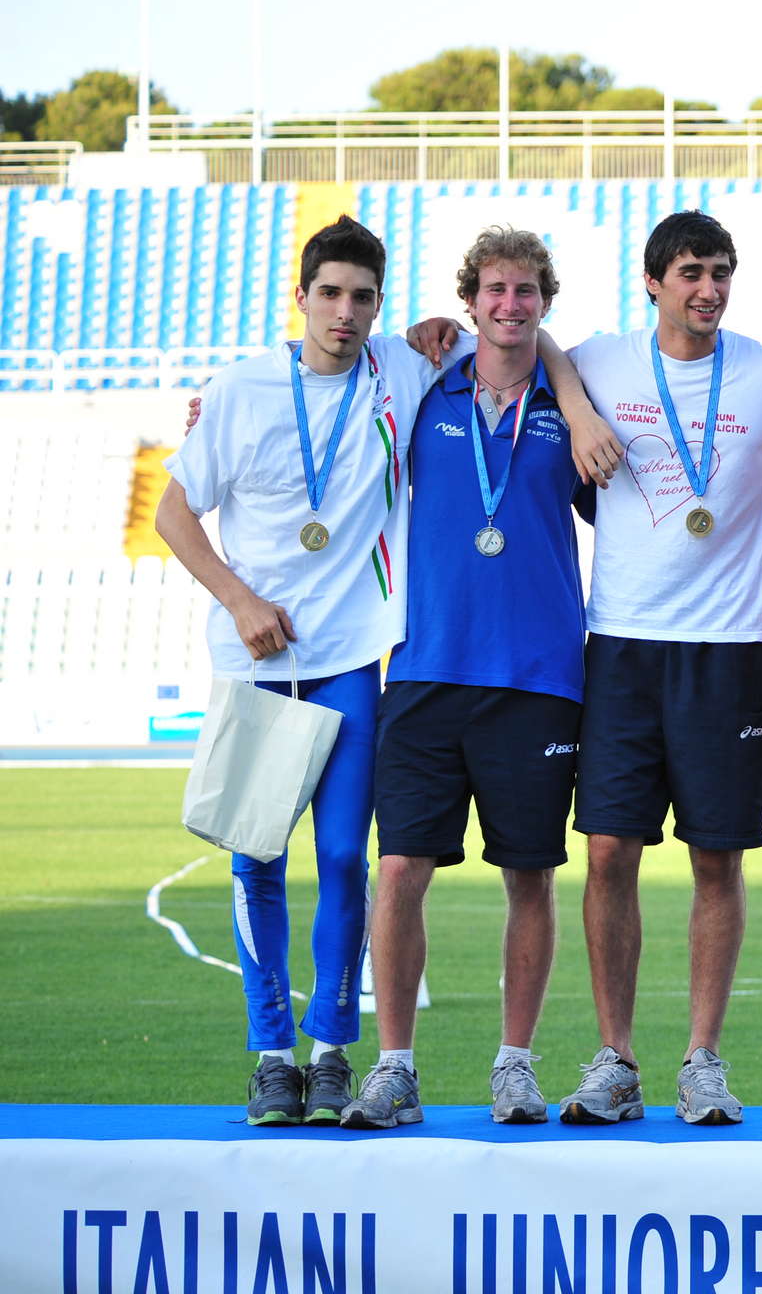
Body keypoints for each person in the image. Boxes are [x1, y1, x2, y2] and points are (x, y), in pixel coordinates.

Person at [412, 210, 762, 1126]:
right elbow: (531, 346)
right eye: (690, 272)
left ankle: (702, 1060)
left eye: (720, 272)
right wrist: (551, 396)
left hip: (735, 646)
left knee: (716, 859)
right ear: (653, 283)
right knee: (608, 850)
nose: (708, 288)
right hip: (621, 644)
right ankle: (616, 1059)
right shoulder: (602, 361)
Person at [157, 216, 604, 1126]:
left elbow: (524, 341)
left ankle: (336, 1055)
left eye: (362, 297)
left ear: (381, 305)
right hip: (279, 657)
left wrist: (577, 399)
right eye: (330, 293)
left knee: (346, 859)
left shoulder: (406, 369)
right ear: (302, 296)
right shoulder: (258, 387)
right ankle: (276, 1056)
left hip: (368, 656)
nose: (345, 311)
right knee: (266, 859)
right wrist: (240, 601)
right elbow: (175, 512)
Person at [341, 228, 595, 1129]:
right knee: (399, 867)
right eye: (495, 289)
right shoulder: (424, 383)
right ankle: (396, 1070)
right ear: (470, 300)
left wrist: (570, 391)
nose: (510, 304)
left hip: (539, 676)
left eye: (526, 290)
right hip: (425, 666)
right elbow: (326, 380)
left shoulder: (576, 402)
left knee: (530, 875)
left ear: (544, 303)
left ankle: (515, 1067)